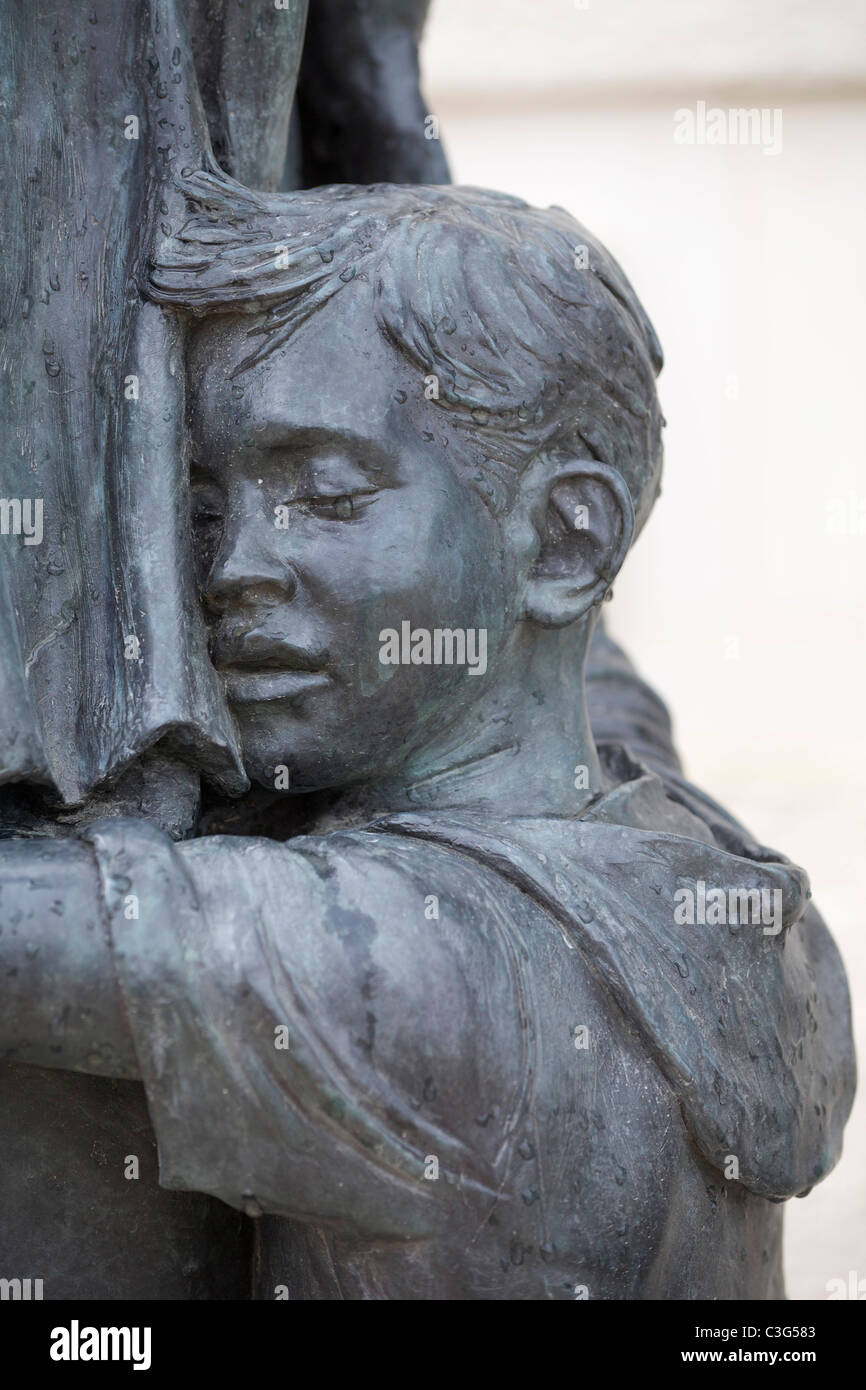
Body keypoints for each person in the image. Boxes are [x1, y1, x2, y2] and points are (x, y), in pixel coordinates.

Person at [0, 178, 853, 1299]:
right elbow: (591, 664)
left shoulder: (406, 964)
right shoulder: (691, 853)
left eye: (323, 491)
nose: (227, 569)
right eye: (203, 508)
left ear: (561, 537)